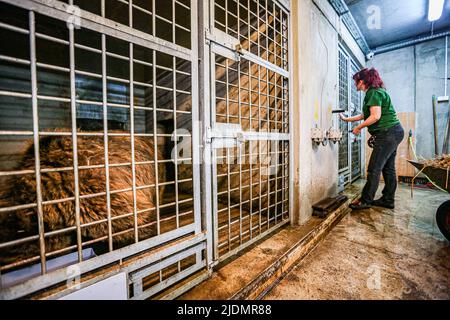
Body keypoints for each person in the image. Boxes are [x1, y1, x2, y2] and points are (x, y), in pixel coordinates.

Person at [340, 68, 404, 210]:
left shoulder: (373, 92)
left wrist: (358, 128)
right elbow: (365, 114)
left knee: (374, 168)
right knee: (388, 168)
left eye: (356, 81)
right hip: (394, 132)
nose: (355, 84)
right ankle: (388, 200)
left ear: (361, 81)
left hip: (388, 133)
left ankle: (365, 200)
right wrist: (346, 119)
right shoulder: (376, 92)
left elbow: (375, 116)